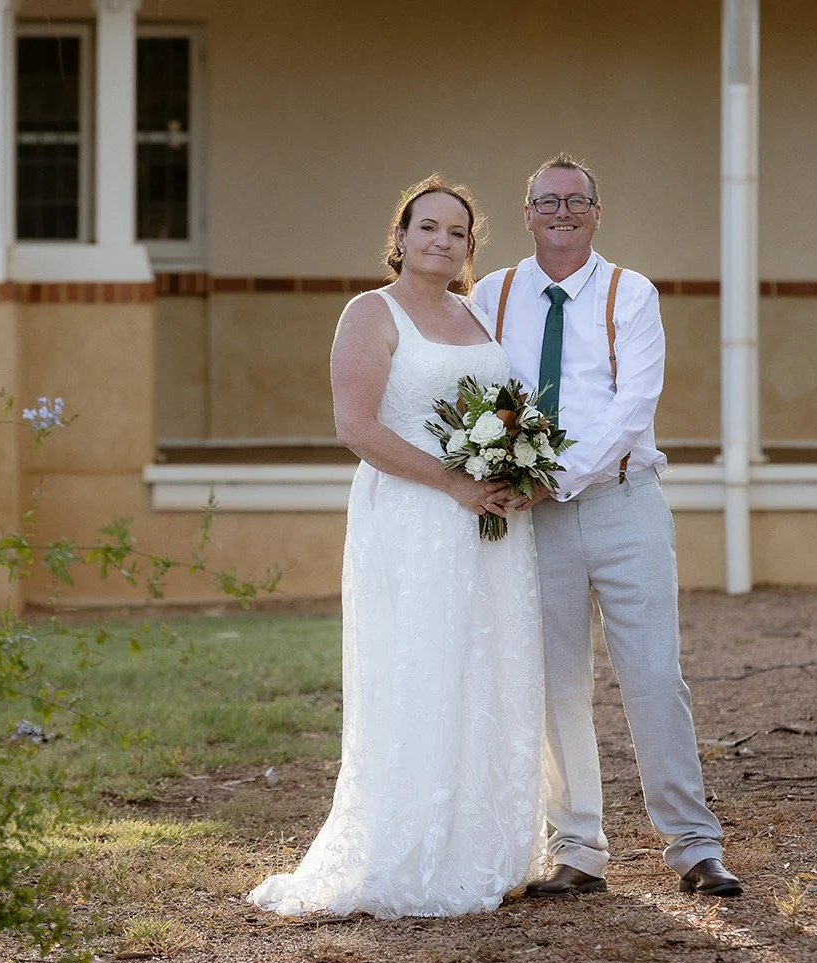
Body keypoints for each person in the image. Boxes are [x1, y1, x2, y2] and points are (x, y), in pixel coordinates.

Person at [248, 176, 545, 919]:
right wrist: (455, 484)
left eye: (458, 233)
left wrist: (513, 471)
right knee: (423, 666)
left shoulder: (475, 315)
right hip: (413, 519)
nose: (443, 241)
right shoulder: (369, 314)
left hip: (490, 523)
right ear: (401, 236)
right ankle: (414, 848)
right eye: (429, 228)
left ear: (470, 248)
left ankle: (486, 846)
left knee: (485, 665)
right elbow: (357, 427)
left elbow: (502, 410)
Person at [472, 154, 741, 899]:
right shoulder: (491, 295)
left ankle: (692, 845)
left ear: (597, 212)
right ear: (525, 213)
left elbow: (632, 408)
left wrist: (553, 476)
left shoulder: (632, 293)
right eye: (546, 200)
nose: (562, 211)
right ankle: (579, 847)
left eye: (576, 200)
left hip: (624, 503)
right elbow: (475, 394)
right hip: (536, 522)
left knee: (655, 675)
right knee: (558, 683)